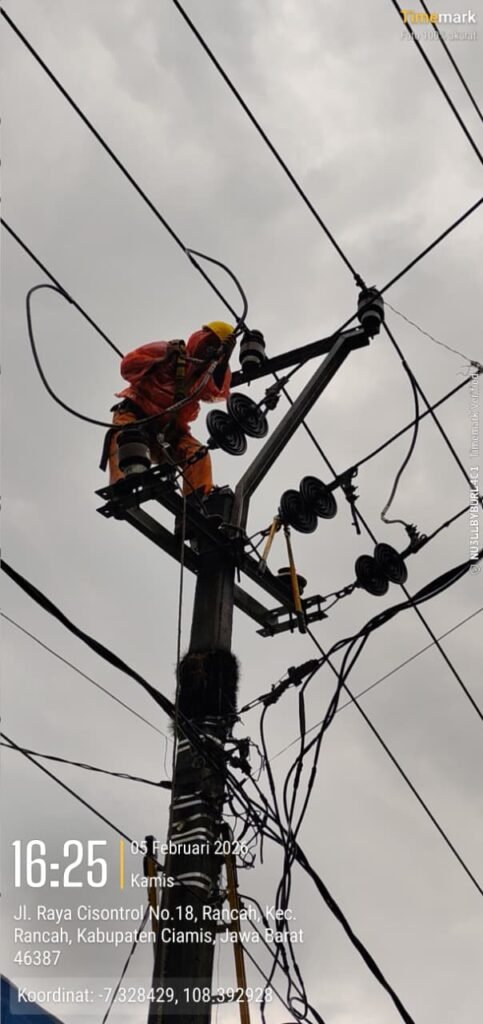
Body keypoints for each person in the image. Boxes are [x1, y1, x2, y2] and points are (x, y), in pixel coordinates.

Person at [100, 321, 235, 495]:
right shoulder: (169, 350)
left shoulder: (204, 378)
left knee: (198, 453)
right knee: (123, 435)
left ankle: (197, 503)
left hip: (170, 432)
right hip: (136, 413)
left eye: (215, 348)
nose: (208, 351)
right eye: (208, 344)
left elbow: (217, 392)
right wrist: (162, 359)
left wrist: (222, 362)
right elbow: (127, 366)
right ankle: (120, 487)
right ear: (199, 339)